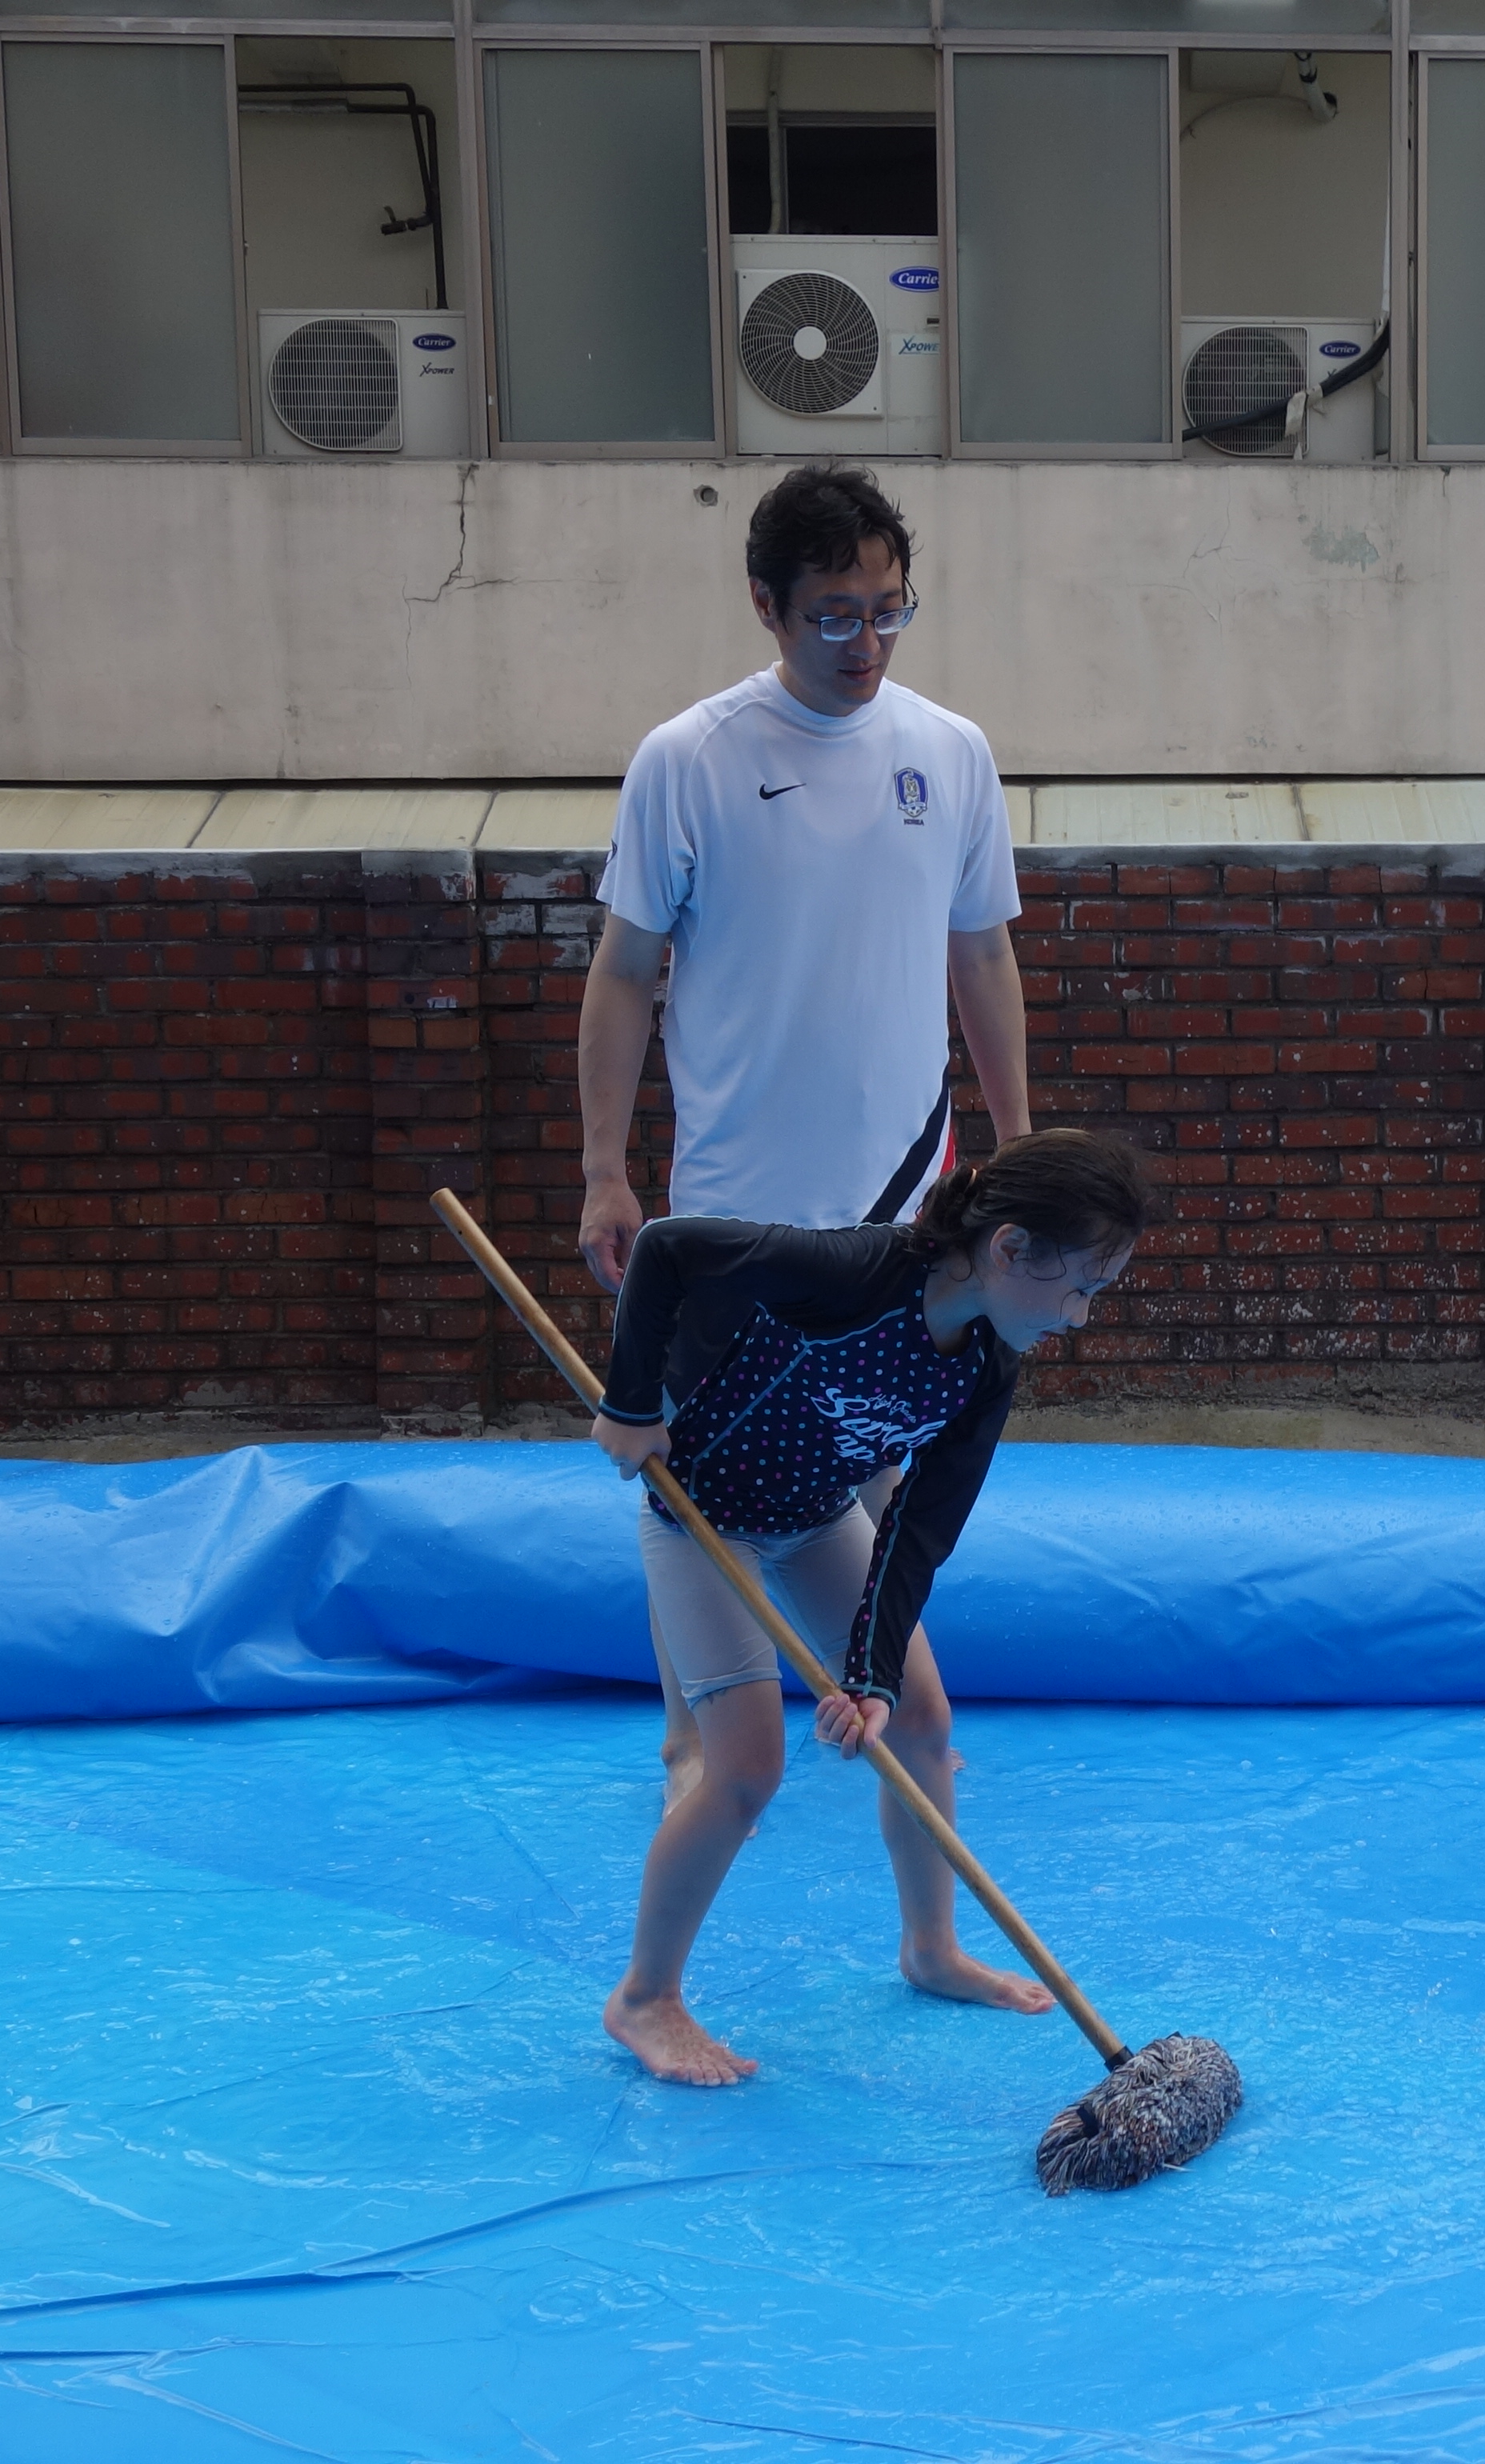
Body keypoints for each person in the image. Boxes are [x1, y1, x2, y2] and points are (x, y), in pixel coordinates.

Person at [578, 463, 1031, 1812]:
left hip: (901, 1199)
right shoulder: (691, 760)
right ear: (765, 606)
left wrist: (1017, 1145)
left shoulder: (950, 752)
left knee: (873, 1463)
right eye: (834, 614)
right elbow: (623, 972)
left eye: (889, 610)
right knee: (706, 1485)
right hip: (737, 1210)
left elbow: (982, 955)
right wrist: (603, 1169)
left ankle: (887, 1711)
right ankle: (698, 1734)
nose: (865, 642)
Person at [589, 1128, 1162, 2088]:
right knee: (745, 1767)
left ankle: (931, 1948)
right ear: (1011, 1247)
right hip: (701, 1515)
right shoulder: (859, 1271)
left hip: (818, 1518)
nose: (1080, 1317)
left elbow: (918, 1530)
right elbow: (668, 1246)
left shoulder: (987, 1363)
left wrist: (870, 1677)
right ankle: (645, 1995)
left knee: (922, 1718)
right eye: (1080, 1288)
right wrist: (633, 1399)